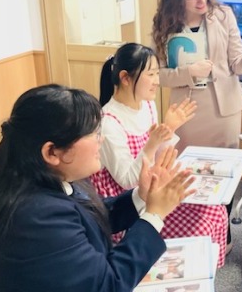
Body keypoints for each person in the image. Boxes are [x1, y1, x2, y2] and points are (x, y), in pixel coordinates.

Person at [0, 84, 195, 292]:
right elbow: (107, 285)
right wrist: (154, 215)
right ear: (52, 152)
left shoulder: (44, 177)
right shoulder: (36, 216)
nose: (101, 140)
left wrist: (142, 195)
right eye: (93, 134)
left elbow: (91, 216)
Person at [151, 0, 242, 251]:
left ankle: (223, 234)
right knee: (189, 173)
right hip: (188, 112)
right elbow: (159, 75)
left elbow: (237, 65)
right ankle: (192, 231)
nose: (201, 1)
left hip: (224, 110)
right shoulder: (163, 24)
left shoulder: (223, 15)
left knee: (224, 175)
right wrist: (188, 72)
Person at [90, 42, 230, 268]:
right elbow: (127, 181)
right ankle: (189, 271)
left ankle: (204, 273)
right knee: (199, 226)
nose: (157, 80)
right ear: (125, 78)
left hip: (151, 187)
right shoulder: (109, 121)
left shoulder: (147, 105)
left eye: (157, 73)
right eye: (151, 74)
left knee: (215, 210)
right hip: (126, 205)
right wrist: (152, 143)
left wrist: (169, 129)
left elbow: (159, 158)